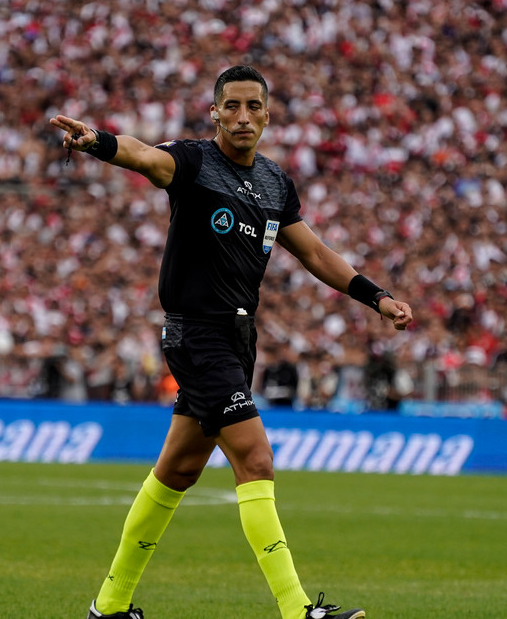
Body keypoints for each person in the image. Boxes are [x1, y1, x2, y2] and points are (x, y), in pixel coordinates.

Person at [51, 65, 412, 619]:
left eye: (254, 106)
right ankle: (298, 610)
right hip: (197, 336)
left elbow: (315, 254)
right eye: (233, 105)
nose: (243, 116)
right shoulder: (194, 163)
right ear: (215, 112)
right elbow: (144, 155)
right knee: (255, 458)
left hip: (238, 340)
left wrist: (377, 297)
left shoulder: (274, 183)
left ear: (267, 115)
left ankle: (110, 605)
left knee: (177, 472)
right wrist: (97, 141)